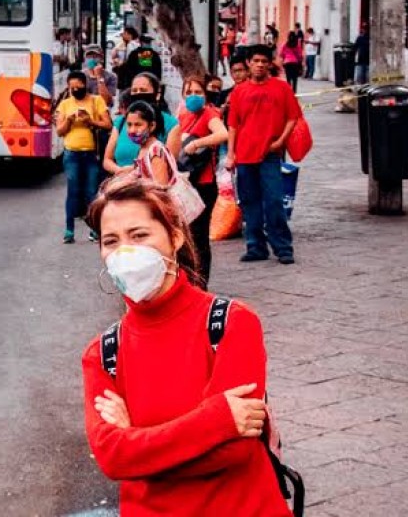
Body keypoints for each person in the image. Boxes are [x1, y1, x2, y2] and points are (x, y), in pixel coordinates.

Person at [82, 177, 293, 517]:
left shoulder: (232, 323)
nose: (125, 251)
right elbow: (111, 458)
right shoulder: (102, 353)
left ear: (175, 236)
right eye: (111, 241)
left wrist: (138, 445)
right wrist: (217, 418)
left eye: (139, 235)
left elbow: (235, 451)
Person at [225, 44, 300, 264]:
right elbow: (233, 126)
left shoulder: (282, 88)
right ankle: (256, 247)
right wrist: (231, 154)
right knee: (249, 202)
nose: (259, 65)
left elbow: (292, 117)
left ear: (269, 64)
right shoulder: (239, 91)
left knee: (274, 200)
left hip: (270, 154)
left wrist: (280, 141)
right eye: (255, 61)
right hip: (244, 154)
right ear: (248, 63)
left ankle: (283, 247)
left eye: (263, 62)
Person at [178, 76, 228, 288]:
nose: (193, 97)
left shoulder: (209, 114)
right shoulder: (181, 114)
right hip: (184, 182)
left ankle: (200, 284)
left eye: (198, 92)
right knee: (184, 236)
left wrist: (197, 143)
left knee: (199, 237)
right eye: (189, 92)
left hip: (204, 183)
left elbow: (223, 134)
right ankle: (187, 281)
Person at [55, 71, 111, 244]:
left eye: (78, 86)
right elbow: (59, 131)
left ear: (85, 84)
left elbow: (108, 124)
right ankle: (69, 230)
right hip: (71, 153)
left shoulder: (96, 101)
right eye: (72, 87)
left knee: (91, 192)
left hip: (91, 154)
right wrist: (70, 120)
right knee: (73, 191)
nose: (75, 89)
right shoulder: (64, 105)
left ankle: (94, 229)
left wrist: (90, 121)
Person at [103, 74, 181, 176]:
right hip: (123, 185)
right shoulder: (121, 121)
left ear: (157, 95)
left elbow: (169, 164)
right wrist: (118, 170)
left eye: (143, 90)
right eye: (134, 90)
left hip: (151, 186)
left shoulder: (170, 124)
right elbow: (107, 160)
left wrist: (134, 170)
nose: (138, 94)